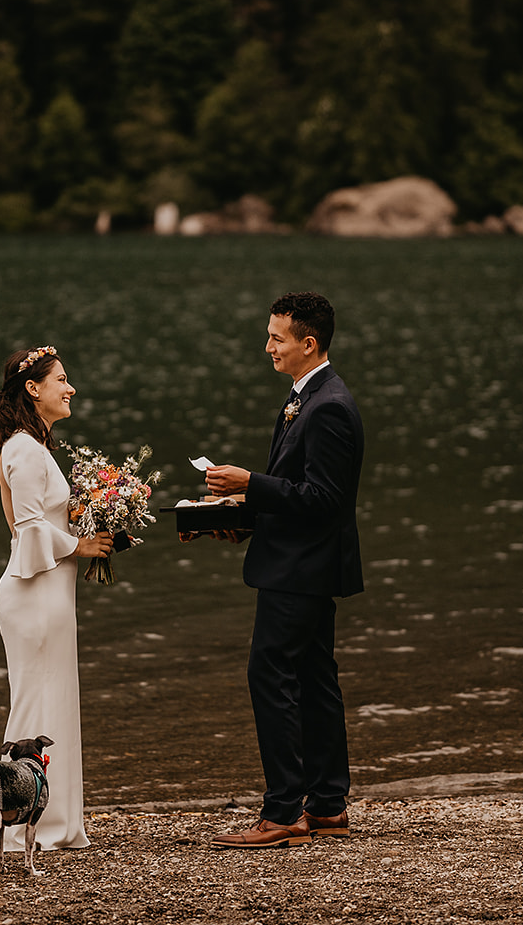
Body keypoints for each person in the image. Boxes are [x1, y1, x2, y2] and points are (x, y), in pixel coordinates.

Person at [204, 292, 365, 849]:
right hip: (299, 563)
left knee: (270, 677)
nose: (267, 346)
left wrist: (250, 483)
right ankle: (325, 807)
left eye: (276, 337)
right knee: (316, 683)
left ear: (308, 343)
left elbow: (325, 499)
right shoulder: (307, 397)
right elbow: (300, 492)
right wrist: (243, 519)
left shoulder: (330, 407)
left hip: (301, 572)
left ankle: (282, 812)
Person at [0, 345, 113, 850]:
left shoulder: (35, 447)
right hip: (34, 596)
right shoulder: (22, 448)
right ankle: (18, 823)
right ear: (33, 389)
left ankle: (53, 822)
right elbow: (31, 528)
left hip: (49, 594)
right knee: (36, 706)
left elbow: (45, 517)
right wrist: (80, 543)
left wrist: (96, 517)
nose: (70, 387)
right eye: (61, 379)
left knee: (56, 703)